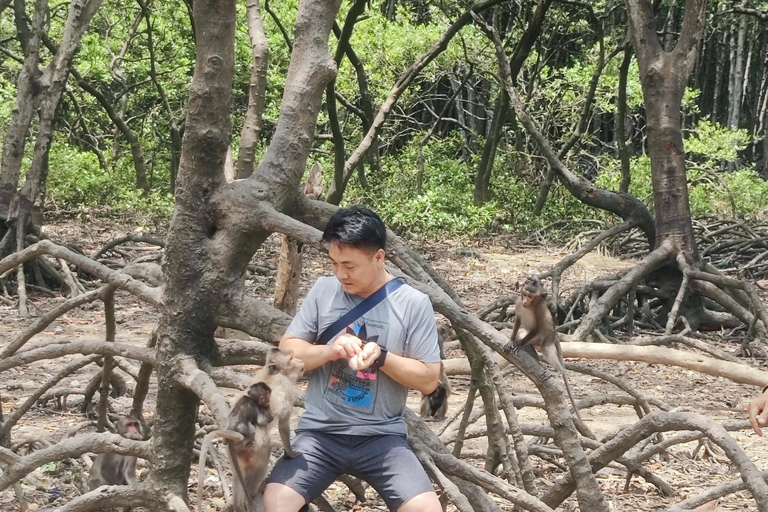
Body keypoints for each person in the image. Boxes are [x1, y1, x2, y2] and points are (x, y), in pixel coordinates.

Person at [262, 206, 443, 512]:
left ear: (379, 257)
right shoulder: (324, 291)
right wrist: (331, 350)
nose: (340, 274)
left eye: (349, 265)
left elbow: (428, 380)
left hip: (382, 438)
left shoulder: (413, 304)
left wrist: (383, 357)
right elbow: (288, 351)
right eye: (333, 263)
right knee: (276, 502)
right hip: (320, 434)